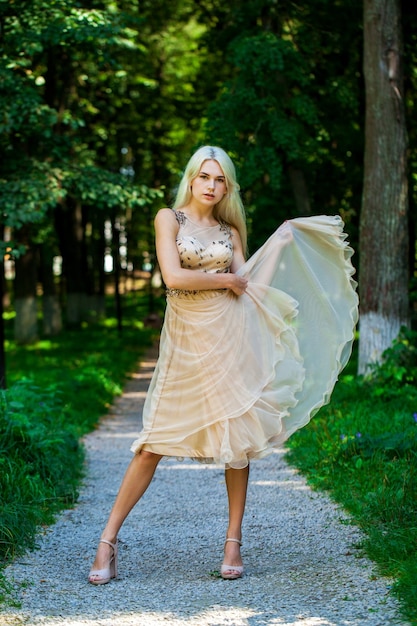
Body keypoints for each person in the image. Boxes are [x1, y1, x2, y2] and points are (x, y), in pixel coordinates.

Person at [88, 145, 358, 585]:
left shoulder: (231, 230)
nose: (212, 186)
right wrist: (229, 279)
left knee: (238, 437)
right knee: (153, 441)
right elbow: (173, 277)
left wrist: (278, 246)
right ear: (191, 179)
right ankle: (107, 542)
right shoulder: (167, 219)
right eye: (205, 177)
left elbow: (248, 290)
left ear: (227, 186)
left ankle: (233, 541)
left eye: (220, 180)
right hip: (186, 342)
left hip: (229, 336)